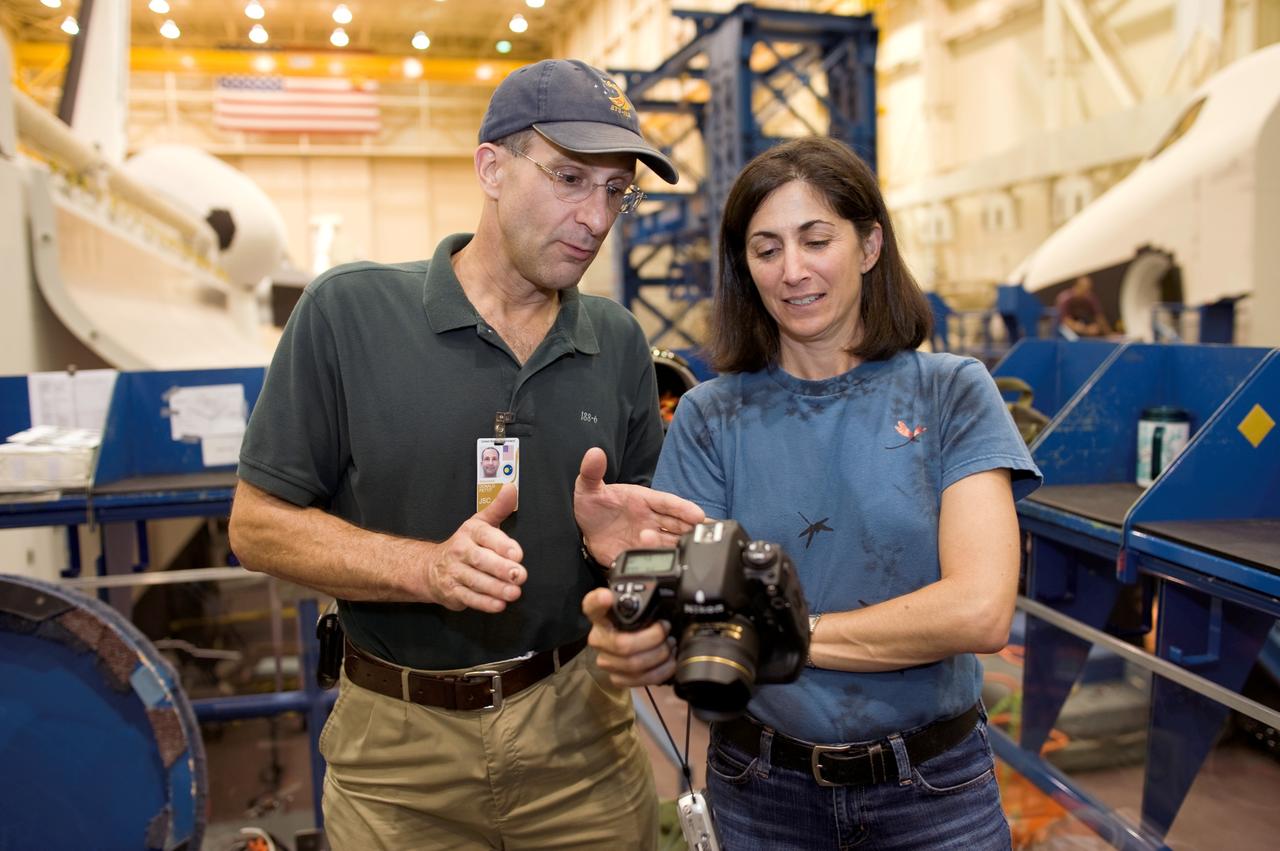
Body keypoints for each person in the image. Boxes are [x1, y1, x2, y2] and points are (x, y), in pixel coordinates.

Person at [229, 58, 703, 850]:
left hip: (579, 740)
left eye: (617, 191)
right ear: (491, 167)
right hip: (397, 761)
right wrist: (425, 569)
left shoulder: (618, 342)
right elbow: (257, 525)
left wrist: (626, 564)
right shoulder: (347, 315)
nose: (596, 217)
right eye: (570, 178)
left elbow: (646, 553)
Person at [584, 136, 1042, 850]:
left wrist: (771, 632)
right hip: (762, 789)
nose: (793, 270)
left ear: (868, 246)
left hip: (932, 791)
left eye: (816, 239)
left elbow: (979, 609)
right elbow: (690, 628)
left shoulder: (952, 391)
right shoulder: (711, 416)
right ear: (746, 268)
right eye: (766, 249)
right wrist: (631, 608)